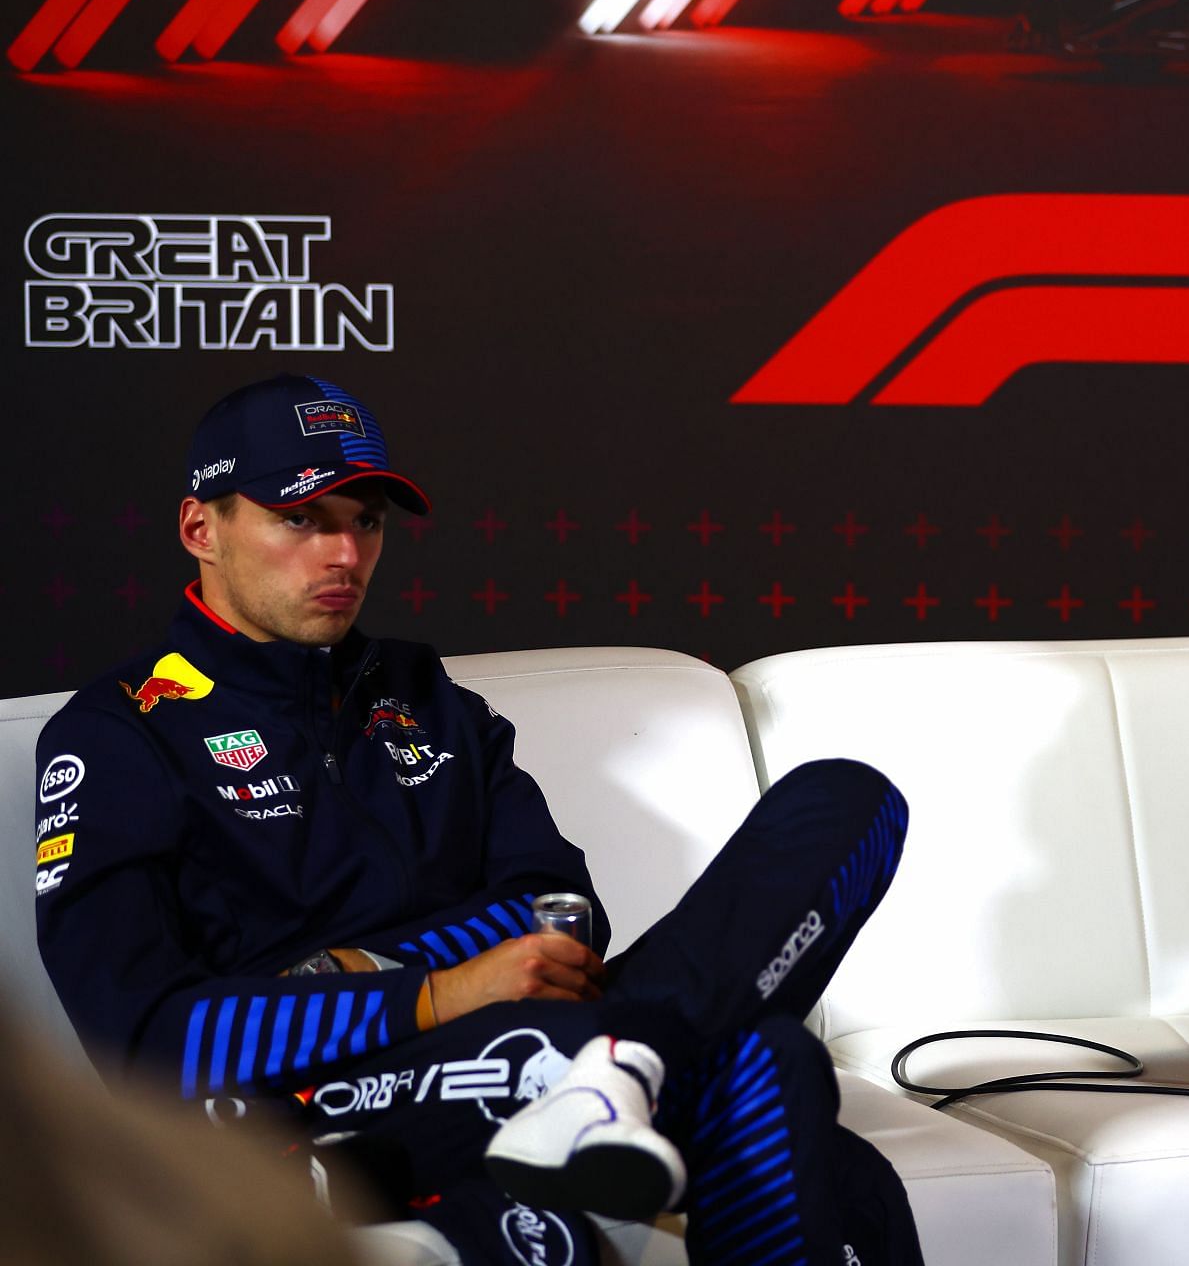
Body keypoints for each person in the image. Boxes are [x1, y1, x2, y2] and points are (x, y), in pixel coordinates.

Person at [33, 374, 923, 1266]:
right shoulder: (119, 732)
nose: (344, 554)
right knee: (775, 1080)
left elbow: (559, 905)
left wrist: (385, 963)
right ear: (202, 529)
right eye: (301, 519)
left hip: (525, 1025)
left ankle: (619, 1068)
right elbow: (143, 1041)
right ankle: (619, 1066)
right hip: (303, 1106)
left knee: (849, 803)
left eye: (365, 520)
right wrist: (436, 991)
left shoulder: (427, 696)